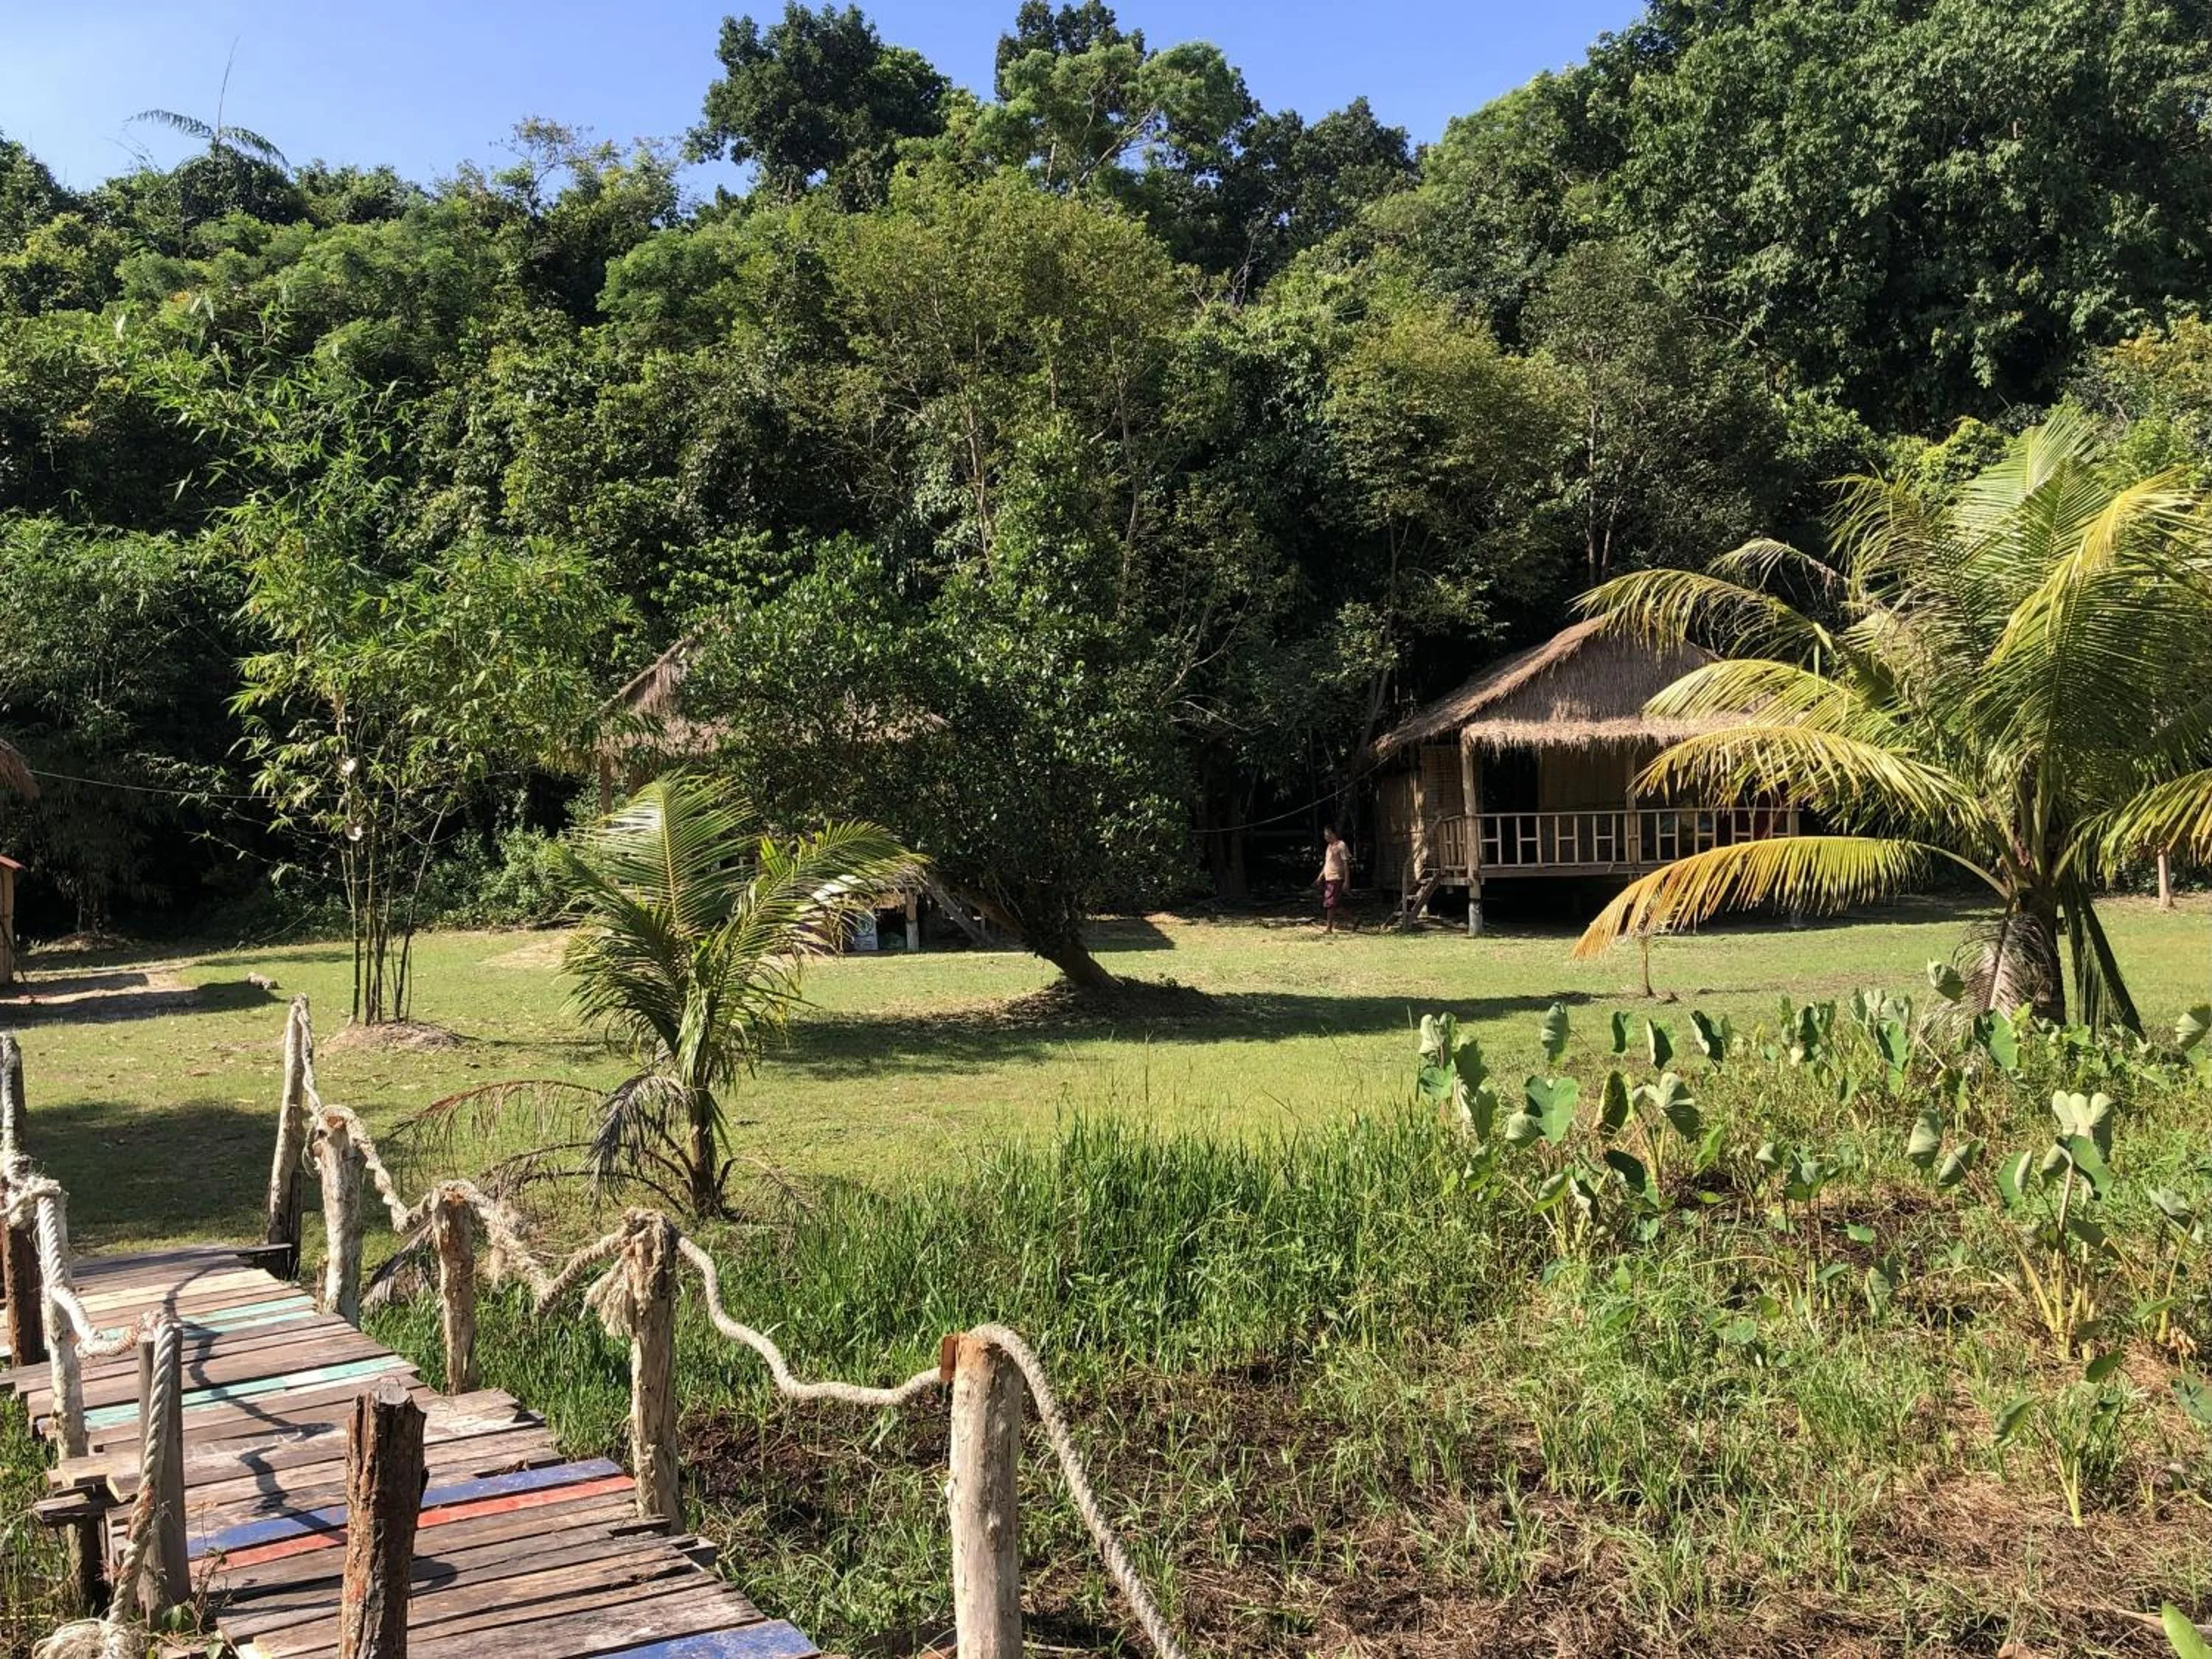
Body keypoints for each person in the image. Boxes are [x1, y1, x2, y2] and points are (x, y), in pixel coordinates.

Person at [1318, 826, 1351, 933]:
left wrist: (1347, 881)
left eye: (1327, 834)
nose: (1325, 837)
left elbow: (1346, 864)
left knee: (1330, 903)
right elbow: (1327, 863)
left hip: (1336, 877)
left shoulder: (1341, 845)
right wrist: (1320, 877)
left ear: (1333, 834)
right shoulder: (1329, 847)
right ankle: (1354, 920)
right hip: (1329, 877)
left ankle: (1329, 928)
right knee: (1334, 904)